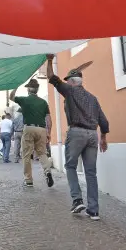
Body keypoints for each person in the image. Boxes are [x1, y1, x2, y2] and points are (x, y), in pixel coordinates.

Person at [46, 55, 109, 220]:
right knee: (91, 172)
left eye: (68, 81)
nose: (66, 83)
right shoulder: (93, 99)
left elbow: (52, 77)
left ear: (73, 82)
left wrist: (49, 60)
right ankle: (94, 211)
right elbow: (103, 121)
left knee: (70, 166)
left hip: (77, 133)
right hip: (93, 135)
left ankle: (77, 200)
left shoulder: (70, 91)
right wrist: (103, 138)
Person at [10, 79, 54, 188]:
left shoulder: (24, 100)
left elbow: (11, 97)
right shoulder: (43, 102)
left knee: (27, 155)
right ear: (37, 89)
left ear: (28, 90)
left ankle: (28, 180)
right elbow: (48, 119)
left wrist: (16, 86)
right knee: (42, 153)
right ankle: (47, 171)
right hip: (41, 129)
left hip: (29, 128)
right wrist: (49, 133)